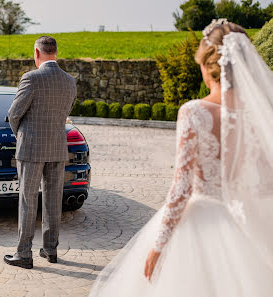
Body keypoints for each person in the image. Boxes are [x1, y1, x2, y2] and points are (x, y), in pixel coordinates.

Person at [89, 19, 273, 297]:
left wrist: (158, 245)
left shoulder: (195, 112)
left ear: (207, 66)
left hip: (201, 227)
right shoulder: (262, 116)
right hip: (249, 228)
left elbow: (182, 188)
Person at [4, 36, 77, 269]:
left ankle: (24, 254)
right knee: (53, 201)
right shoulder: (69, 81)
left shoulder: (31, 78)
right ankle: (50, 249)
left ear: (37, 53)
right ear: (55, 52)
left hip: (31, 148)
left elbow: (14, 114)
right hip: (57, 147)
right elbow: (63, 114)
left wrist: (22, 135)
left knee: (27, 200)